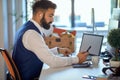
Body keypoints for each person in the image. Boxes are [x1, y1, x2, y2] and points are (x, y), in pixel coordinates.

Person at [12, 0, 88, 80]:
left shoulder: (26, 27)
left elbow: (40, 52)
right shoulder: (32, 34)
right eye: (50, 16)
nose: (52, 20)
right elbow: (52, 61)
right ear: (40, 15)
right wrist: (77, 59)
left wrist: (58, 50)